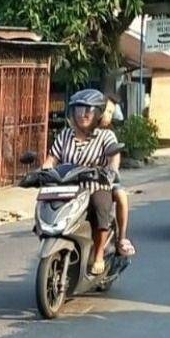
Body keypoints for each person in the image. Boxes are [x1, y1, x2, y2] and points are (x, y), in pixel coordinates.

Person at [43, 89, 121, 275]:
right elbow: (51, 159)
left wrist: (111, 172)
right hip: (68, 188)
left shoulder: (106, 136)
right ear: (72, 112)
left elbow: (113, 158)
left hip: (96, 186)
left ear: (98, 113)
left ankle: (100, 254)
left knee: (101, 206)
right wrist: (42, 173)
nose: (84, 114)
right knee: (46, 203)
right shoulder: (64, 136)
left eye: (90, 110)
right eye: (79, 109)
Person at [101, 96, 135, 257]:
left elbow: (114, 163)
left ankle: (121, 238)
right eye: (105, 110)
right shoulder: (71, 134)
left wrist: (111, 172)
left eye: (110, 112)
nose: (107, 115)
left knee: (121, 194)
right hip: (76, 181)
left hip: (102, 181)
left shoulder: (108, 137)